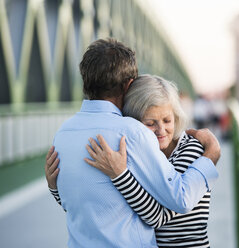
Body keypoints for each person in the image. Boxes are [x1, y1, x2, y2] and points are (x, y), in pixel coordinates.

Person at [45, 38, 220, 247]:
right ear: (129, 85)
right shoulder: (132, 132)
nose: (160, 129)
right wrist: (211, 153)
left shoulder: (63, 134)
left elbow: (75, 205)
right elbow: (180, 199)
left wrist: (54, 188)